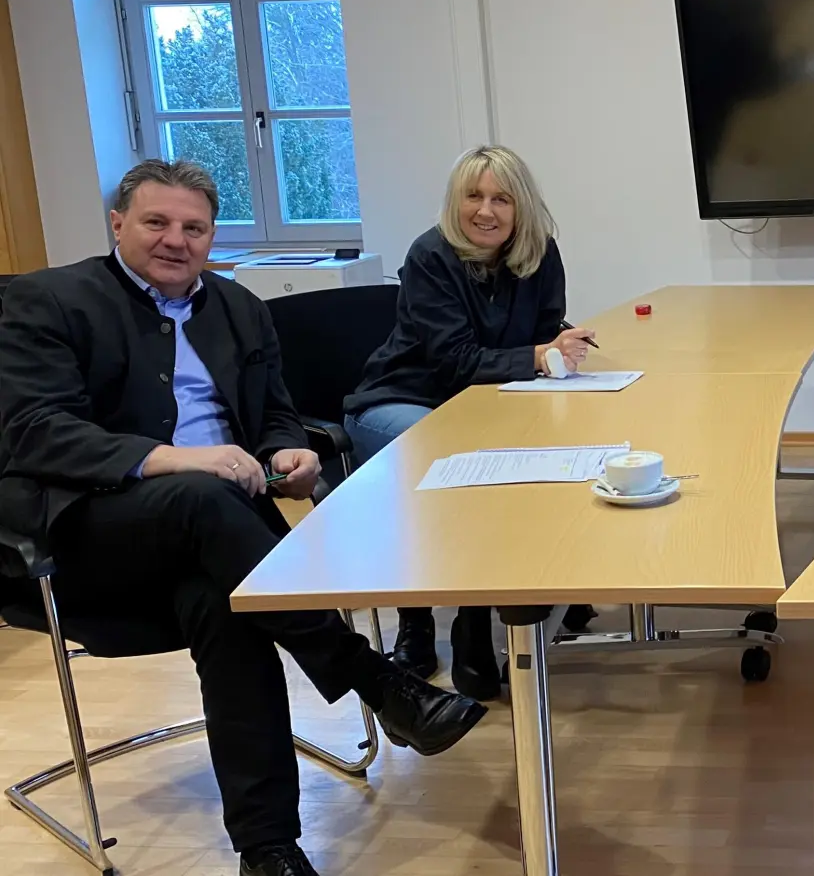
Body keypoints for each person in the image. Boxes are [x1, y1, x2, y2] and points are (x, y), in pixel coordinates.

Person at [0, 160, 488, 876]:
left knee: (224, 604)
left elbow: (274, 415)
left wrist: (288, 448)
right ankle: (374, 679)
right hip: (85, 540)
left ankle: (267, 849)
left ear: (211, 235)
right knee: (203, 500)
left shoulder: (238, 307)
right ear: (117, 225)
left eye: (193, 227)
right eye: (156, 223)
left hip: (223, 544)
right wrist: (173, 460)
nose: (176, 240)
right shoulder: (48, 301)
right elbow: (35, 432)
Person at [343, 145, 593, 700]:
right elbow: (453, 359)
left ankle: (486, 610)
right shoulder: (431, 256)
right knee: (447, 458)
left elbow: (547, 329)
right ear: (454, 203)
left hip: (484, 404)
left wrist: (560, 348)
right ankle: (421, 620)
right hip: (402, 399)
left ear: (520, 207)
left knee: (542, 443)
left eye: (501, 198)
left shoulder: (540, 253)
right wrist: (536, 355)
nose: (486, 211)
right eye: (473, 197)